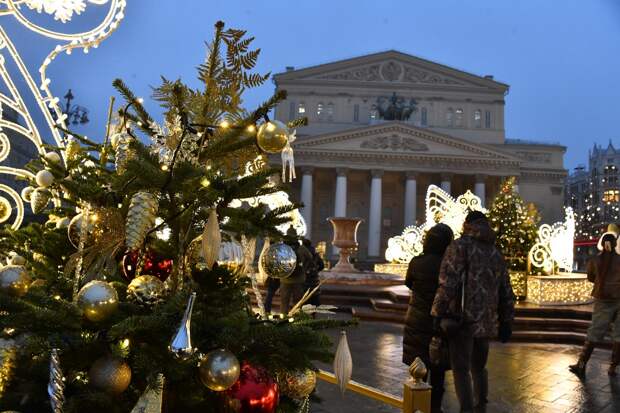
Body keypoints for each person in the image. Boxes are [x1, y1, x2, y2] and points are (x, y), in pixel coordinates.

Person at [431, 211, 515, 413]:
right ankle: (480, 407)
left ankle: (467, 410)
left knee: (460, 369)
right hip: (486, 321)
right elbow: (506, 290)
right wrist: (506, 320)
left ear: (467, 224)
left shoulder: (460, 247)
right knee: (479, 367)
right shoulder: (495, 252)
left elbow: (448, 283)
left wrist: (437, 312)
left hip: (462, 320)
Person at [403, 223, 454, 413]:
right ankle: (435, 407)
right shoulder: (449, 265)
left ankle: (417, 407)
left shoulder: (417, 262)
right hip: (439, 322)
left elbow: (409, 283)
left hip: (417, 319)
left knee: (418, 369)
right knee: (438, 371)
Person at [569, 232, 620, 378]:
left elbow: (591, 277)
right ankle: (613, 367)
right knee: (619, 334)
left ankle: (582, 364)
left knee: (595, 331)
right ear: (615, 245)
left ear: (602, 245)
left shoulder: (595, 260)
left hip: (603, 300)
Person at [280, 235, 313, 314]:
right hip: (299, 279)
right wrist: (304, 268)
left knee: (284, 301)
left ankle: (283, 319)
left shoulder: (282, 248)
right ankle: (297, 318)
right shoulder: (302, 248)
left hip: (285, 279)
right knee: (298, 301)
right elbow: (310, 258)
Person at [303, 238, 324, 306]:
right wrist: (316, 271)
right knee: (314, 294)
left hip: (305, 278)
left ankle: (303, 313)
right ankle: (314, 312)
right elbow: (322, 265)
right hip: (314, 278)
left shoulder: (302, 252)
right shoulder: (315, 253)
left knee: (304, 295)